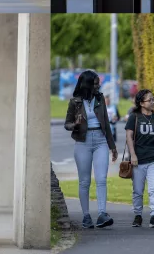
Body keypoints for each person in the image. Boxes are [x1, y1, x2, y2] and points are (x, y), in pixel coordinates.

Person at [64, 70, 118, 229]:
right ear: (87, 84)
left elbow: (106, 123)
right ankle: (86, 216)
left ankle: (102, 214)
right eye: (95, 83)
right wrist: (75, 124)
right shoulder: (75, 102)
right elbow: (67, 124)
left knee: (101, 179)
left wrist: (112, 146)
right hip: (83, 141)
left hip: (100, 140)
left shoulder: (100, 98)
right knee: (85, 181)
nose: (98, 85)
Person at [126, 89, 154, 228]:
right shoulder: (134, 117)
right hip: (138, 160)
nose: (153, 102)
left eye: (153, 99)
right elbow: (129, 137)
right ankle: (138, 215)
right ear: (141, 103)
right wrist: (133, 155)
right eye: (149, 100)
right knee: (138, 190)